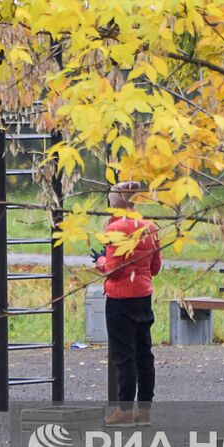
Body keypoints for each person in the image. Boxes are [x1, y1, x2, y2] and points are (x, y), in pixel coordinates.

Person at [95, 180, 162, 426]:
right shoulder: (151, 227)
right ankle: (144, 411)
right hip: (143, 297)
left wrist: (100, 261)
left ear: (116, 201)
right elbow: (155, 267)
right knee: (144, 355)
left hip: (120, 300)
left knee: (124, 356)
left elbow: (112, 270)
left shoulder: (116, 229)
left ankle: (124, 409)